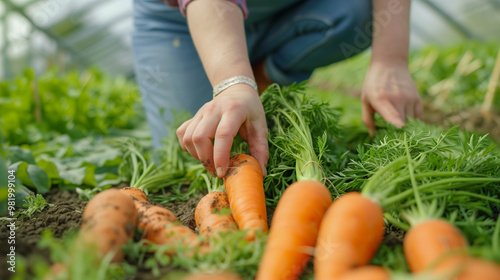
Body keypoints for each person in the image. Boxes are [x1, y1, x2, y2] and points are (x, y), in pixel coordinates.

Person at [132, 0, 422, 179]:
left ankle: (262, 76)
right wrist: (232, 83)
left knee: (360, 10)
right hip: (182, 21)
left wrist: (390, 60)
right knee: (191, 159)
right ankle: (239, 73)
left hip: (291, 6)